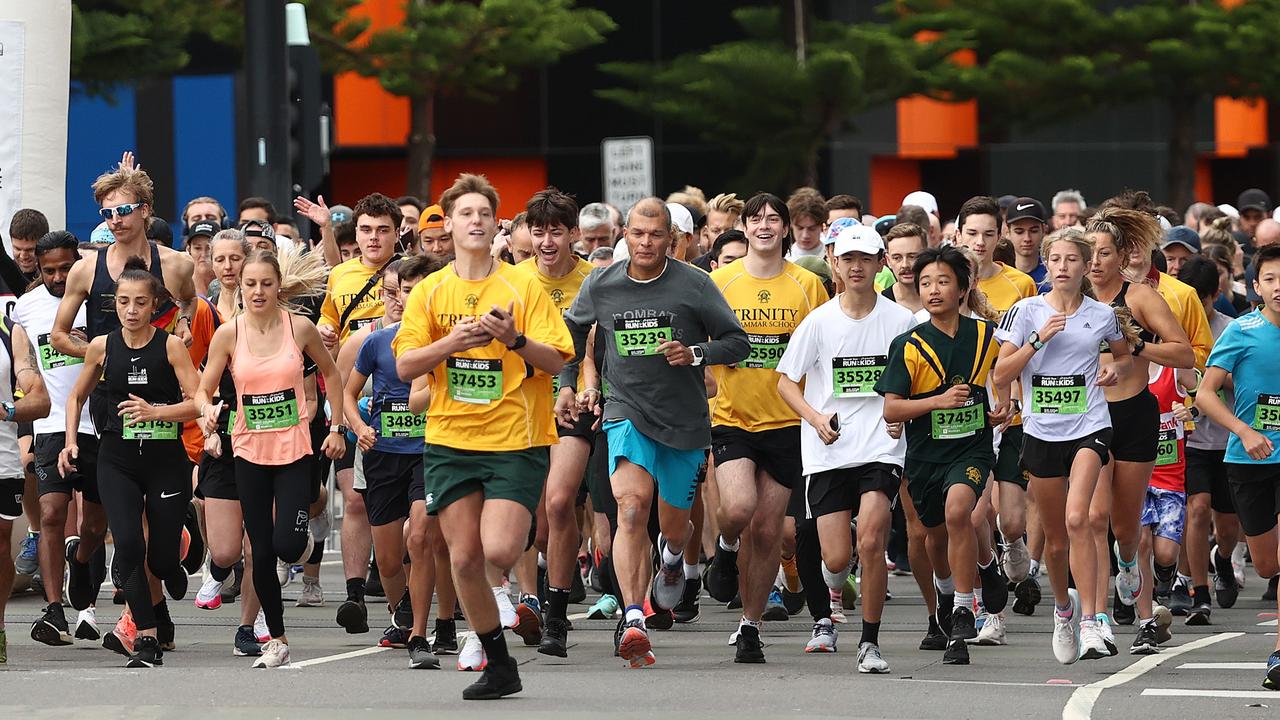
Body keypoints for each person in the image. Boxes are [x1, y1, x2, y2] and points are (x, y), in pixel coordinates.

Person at [394, 173, 573, 700]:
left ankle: (510, 608)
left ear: (497, 222)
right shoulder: (430, 290)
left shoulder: (525, 286)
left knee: (495, 548)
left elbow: (558, 358)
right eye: (464, 213)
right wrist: (450, 342)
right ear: (447, 224)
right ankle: (500, 665)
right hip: (450, 439)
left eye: (483, 213)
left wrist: (513, 339)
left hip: (514, 440)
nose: (475, 221)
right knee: (463, 557)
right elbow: (406, 366)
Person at [559, 197, 749, 669]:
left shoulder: (695, 284)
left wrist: (696, 353)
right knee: (629, 508)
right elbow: (570, 338)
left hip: (684, 420)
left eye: (656, 235)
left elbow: (737, 343)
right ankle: (634, 615)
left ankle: (670, 559)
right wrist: (570, 385)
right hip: (626, 410)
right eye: (638, 234)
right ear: (625, 235)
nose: (645, 243)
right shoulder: (601, 284)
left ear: (673, 240)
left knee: (674, 527)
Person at [776, 223, 916, 672]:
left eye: (866, 259)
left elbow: (919, 377)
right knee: (836, 556)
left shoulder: (902, 321)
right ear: (834, 263)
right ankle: (834, 593)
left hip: (881, 446)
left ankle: (869, 643)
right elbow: (785, 382)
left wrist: (902, 411)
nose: (857, 267)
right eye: (848, 259)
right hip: (828, 449)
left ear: (881, 266)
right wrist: (815, 418)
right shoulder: (819, 321)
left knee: (872, 539)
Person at [196, 248, 345, 668]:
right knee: (259, 551)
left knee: (287, 543)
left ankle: (303, 537)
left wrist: (336, 427)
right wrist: (206, 410)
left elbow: (331, 373)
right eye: (250, 284)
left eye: (266, 283)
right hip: (249, 451)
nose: (258, 291)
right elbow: (203, 389)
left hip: (295, 450)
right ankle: (276, 640)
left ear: (278, 286)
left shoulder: (300, 328)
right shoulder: (230, 333)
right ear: (239, 288)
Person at [993, 227, 1137, 663]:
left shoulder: (1103, 314)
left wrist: (1114, 370)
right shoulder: (1026, 311)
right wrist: (1039, 340)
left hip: (1090, 426)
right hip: (1042, 433)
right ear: (1047, 263)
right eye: (1054, 260)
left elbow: (1123, 354)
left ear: (1086, 264)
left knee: (1081, 519)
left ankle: (1092, 623)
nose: (1062, 268)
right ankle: (1063, 611)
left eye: (1071, 260)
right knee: (1055, 542)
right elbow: (1001, 374)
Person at [701, 192, 827, 663]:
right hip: (732, 418)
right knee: (738, 508)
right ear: (745, 227)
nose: (765, 226)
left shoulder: (808, 286)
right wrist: (706, 375)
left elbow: (822, 354)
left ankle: (750, 625)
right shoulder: (719, 282)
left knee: (769, 529)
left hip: (787, 423)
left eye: (774, 219)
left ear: (786, 228)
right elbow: (699, 344)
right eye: (756, 220)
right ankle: (725, 546)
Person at [59, 257, 200, 668]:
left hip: (165, 461)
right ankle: (147, 637)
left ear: (155, 304)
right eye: (123, 302)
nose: (132, 310)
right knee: (128, 547)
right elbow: (75, 397)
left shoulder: (171, 345)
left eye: (140, 302)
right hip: (116, 458)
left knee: (159, 559)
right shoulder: (102, 346)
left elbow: (197, 401)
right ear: (114, 304)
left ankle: (179, 548)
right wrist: (70, 442)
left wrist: (157, 412)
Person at [876, 245, 1010, 666]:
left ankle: (963, 611)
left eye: (943, 281)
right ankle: (953, 594)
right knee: (933, 535)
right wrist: (936, 402)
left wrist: (1004, 403)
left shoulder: (988, 336)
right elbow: (891, 408)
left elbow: (1007, 376)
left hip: (971, 448)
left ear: (964, 287)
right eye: (926, 283)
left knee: (960, 513)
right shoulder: (908, 344)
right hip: (924, 455)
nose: (933, 290)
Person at [1085, 208, 1195, 647]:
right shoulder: (1065, 302)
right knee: (1093, 518)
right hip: (1087, 418)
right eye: (1086, 253)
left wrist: (1138, 345)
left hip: (1134, 415)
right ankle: (1096, 623)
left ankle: (1128, 565)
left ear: (1121, 257)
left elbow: (1184, 354)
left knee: (1127, 527)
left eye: (1103, 253)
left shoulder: (1140, 298)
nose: (1093, 262)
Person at [505, 188, 596, 658]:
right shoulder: (512, 280)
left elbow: (596, 346)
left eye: (555, 231)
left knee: (560, 504)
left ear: (573, 234)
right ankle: (530, 600)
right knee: (531, 521)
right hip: (520, 405)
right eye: (538, 231)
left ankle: (556, 616)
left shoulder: (594, 279)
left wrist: (587, 384)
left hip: (574, 405)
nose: (546, 241)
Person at [343, 254, 445, 667]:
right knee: (387, 559)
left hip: (430, 451)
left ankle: (420, 633)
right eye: (403, 291)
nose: (408, 299)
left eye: (419, 291)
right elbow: (348, 394)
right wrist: (357, 427)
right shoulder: (377, 342)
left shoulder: (444, 339)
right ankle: (401, 611)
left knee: (419, 537)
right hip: (382, 454)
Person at [1194, 243, 1280, 690]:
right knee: (1268, 566)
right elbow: (1205, 395)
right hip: (1249, 458)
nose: (1279, 286)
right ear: (1255, 286)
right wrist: (1245, 431)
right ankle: (1224, 557)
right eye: (1271, 278)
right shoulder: (1242, 331)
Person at [15, 232, 106, 648]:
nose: (56, 276)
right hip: (52, 425)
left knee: (94, 525)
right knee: (51, 513)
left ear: (79, 263)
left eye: (64, 268)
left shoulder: (99, 300)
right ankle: (54, 608)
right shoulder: (28, 309)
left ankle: (82, 559)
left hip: (100, 423)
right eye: (48, 269)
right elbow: (26, 364)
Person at [188, 229, 271, 656]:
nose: (228, 267)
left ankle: (251, 623)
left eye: (235, 258)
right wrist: (207, 425)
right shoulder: (206, 313)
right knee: (224, 549)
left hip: (269, 440)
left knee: (261, 543)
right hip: (222, 431)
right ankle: (216, 566)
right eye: (218, 259)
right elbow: (196, 381)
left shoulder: (277, 312)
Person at [1177, 256, 1242, 625]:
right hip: (1189, 441)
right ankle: (1198, 592)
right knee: (1196, 510)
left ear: (1215, 296)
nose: (1196, 306)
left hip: (1229, 438)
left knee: (1229, 524)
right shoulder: (1169, 328)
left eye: (1202, 299)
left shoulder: (1232, 329)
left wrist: (1212, 380)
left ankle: (1223, 558)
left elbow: (1246, 381)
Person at [0, 282, 51, 663]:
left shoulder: (9, 332)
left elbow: (40, 399)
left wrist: (10, 411)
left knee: (1, 545)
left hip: (2, 455)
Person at [1005, 198, 1050, 292]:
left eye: (1034, 231)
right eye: (1019, 232)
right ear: (1007, 232)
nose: (1027, 238)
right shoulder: (997, 273)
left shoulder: (1054, 274)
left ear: (1044, 230)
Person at [882, 223, 926, 313]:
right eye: (897, 258)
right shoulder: (880, 304)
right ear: (888, 260)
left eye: (912, 256)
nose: (905, 265)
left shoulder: (941, 299)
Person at [785, 188, 827, 260]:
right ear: (791, 225)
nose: (805, 235)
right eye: (800, 228)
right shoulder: (783, 258)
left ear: (822, 226)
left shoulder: (833, 256)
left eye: (812, 229)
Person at [9, 208, 48, 283]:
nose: (23, 256)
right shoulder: (2, 276)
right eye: (17, 249)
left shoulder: (57, 280)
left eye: (30, 250)